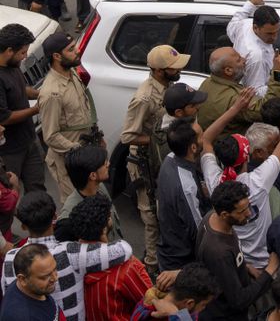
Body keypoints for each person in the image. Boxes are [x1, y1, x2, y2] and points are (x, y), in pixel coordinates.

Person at [202, 76, 280, 269]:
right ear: (248, 156)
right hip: (262, 261)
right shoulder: (257, 182)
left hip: (236, 260)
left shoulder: (215, 181)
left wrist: (235, 109)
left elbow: (206, 139)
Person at [2, 191, 134, 321]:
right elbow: (124, 249)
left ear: (24, 226)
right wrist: (104, 231)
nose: (54, 278)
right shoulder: (71, 253)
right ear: (55, 217)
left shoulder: (9, 259)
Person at [121, 44, 191, 274]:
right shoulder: (144, 97)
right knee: (151, 216)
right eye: (173, 67)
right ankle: (151, 265)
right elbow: (128, 135)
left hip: (160, 156)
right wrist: (158, 139)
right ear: (160, 71)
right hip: (144, 163)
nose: (178, 70)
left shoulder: (169, 86)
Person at [196, 180, 280, 321]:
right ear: (224, 214)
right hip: (226, 315)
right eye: (242, 211)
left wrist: (245, 266)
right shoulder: (219, 252)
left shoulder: (211, 216)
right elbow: (239, 300)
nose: (248, 213)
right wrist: (269, 271)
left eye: (248, 206)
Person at [70, 195, 152, 321]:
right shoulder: (124, 267)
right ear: (104, 229)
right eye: (109, 216)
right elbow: (149, 302)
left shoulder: (67, 261)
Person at [37, 32, 95, 203]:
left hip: (82, 155)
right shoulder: (51, 93)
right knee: (76, 205)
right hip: (67, 161)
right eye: (71, 49)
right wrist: (76, 149)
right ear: (56, 56)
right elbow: (50, 136)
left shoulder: (72, 73)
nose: (77, 51)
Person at [156, 117, 210, 271]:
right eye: (201, 136)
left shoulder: (170, 158)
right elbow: (199, 230)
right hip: (181, 262)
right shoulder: (186, 188)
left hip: (168, 248)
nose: (204, 136)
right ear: (193, 148)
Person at [196, 47, 280, 138]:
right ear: (228, 71)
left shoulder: (208, 82)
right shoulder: (234, 99)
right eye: (239, 60)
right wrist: (277, 75)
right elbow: (268, 110)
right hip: (231, 149)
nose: (244, 60)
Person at [0, 24, 45, 193]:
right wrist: (37, 109)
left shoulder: (12, 66)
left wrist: (40, 94)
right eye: (22, 53)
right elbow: (4, 117)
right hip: (9, 152)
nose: (25, 57)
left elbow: (19, 88)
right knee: (10, 195)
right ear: (9, 50)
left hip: (29, 141)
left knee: (38, 190)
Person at [55, 145, 122, 242]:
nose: (109, 164)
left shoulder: (100, 187)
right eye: (104, 163)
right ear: (93, 175)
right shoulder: (68, 221)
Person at [130, 262, 219, 321]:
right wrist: (178, 316)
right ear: (189, 303)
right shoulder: (154, 317)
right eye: (203, 305)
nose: (204, 308)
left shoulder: (148, 303)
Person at [0, 244, 61, 321]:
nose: (55, 278)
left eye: (55, 269)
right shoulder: (21, 316)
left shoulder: (32, 289)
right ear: (22, 279)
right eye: (45, 277)